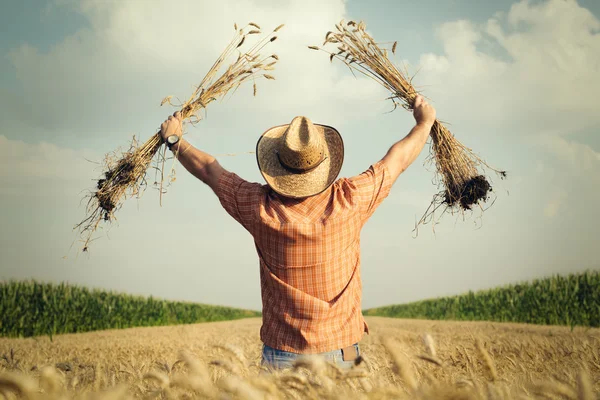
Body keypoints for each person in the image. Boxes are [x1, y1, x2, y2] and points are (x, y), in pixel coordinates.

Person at [159, 94, 436, 371]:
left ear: (277, 167)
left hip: (281, 357)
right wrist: (424, 124)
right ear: (324, 163)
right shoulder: (351, 201)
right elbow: (397, 159)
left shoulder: (258, 208)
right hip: (344, 355)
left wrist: (175, 141)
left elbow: (209, 170)